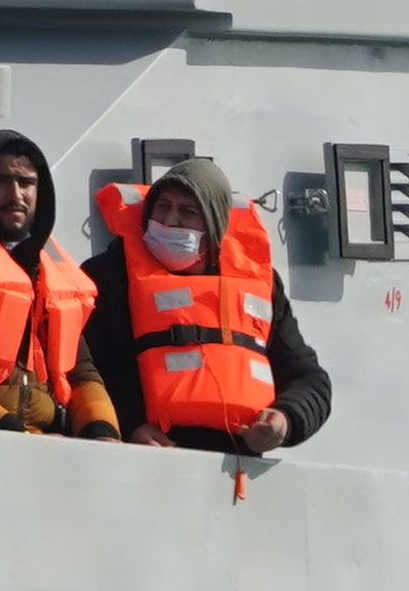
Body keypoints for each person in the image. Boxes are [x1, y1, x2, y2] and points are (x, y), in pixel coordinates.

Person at [80, 154, 332, 456]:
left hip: (234, 465)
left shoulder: (261, 285)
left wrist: (285, 420)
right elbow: (84, 368)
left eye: (187, 211)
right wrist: (129, 423)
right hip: (138, 457)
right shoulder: (107, 275)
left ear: (213, 227)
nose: (170, 220)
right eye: (162, 207)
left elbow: (311, 380)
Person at [0, 127, 114, 432]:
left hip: (43, 440)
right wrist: (6, 427)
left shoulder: (46, 268)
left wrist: (103, 430)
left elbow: (82, 373)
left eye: (26, 182)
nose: (15, 194)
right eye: (0, 181)